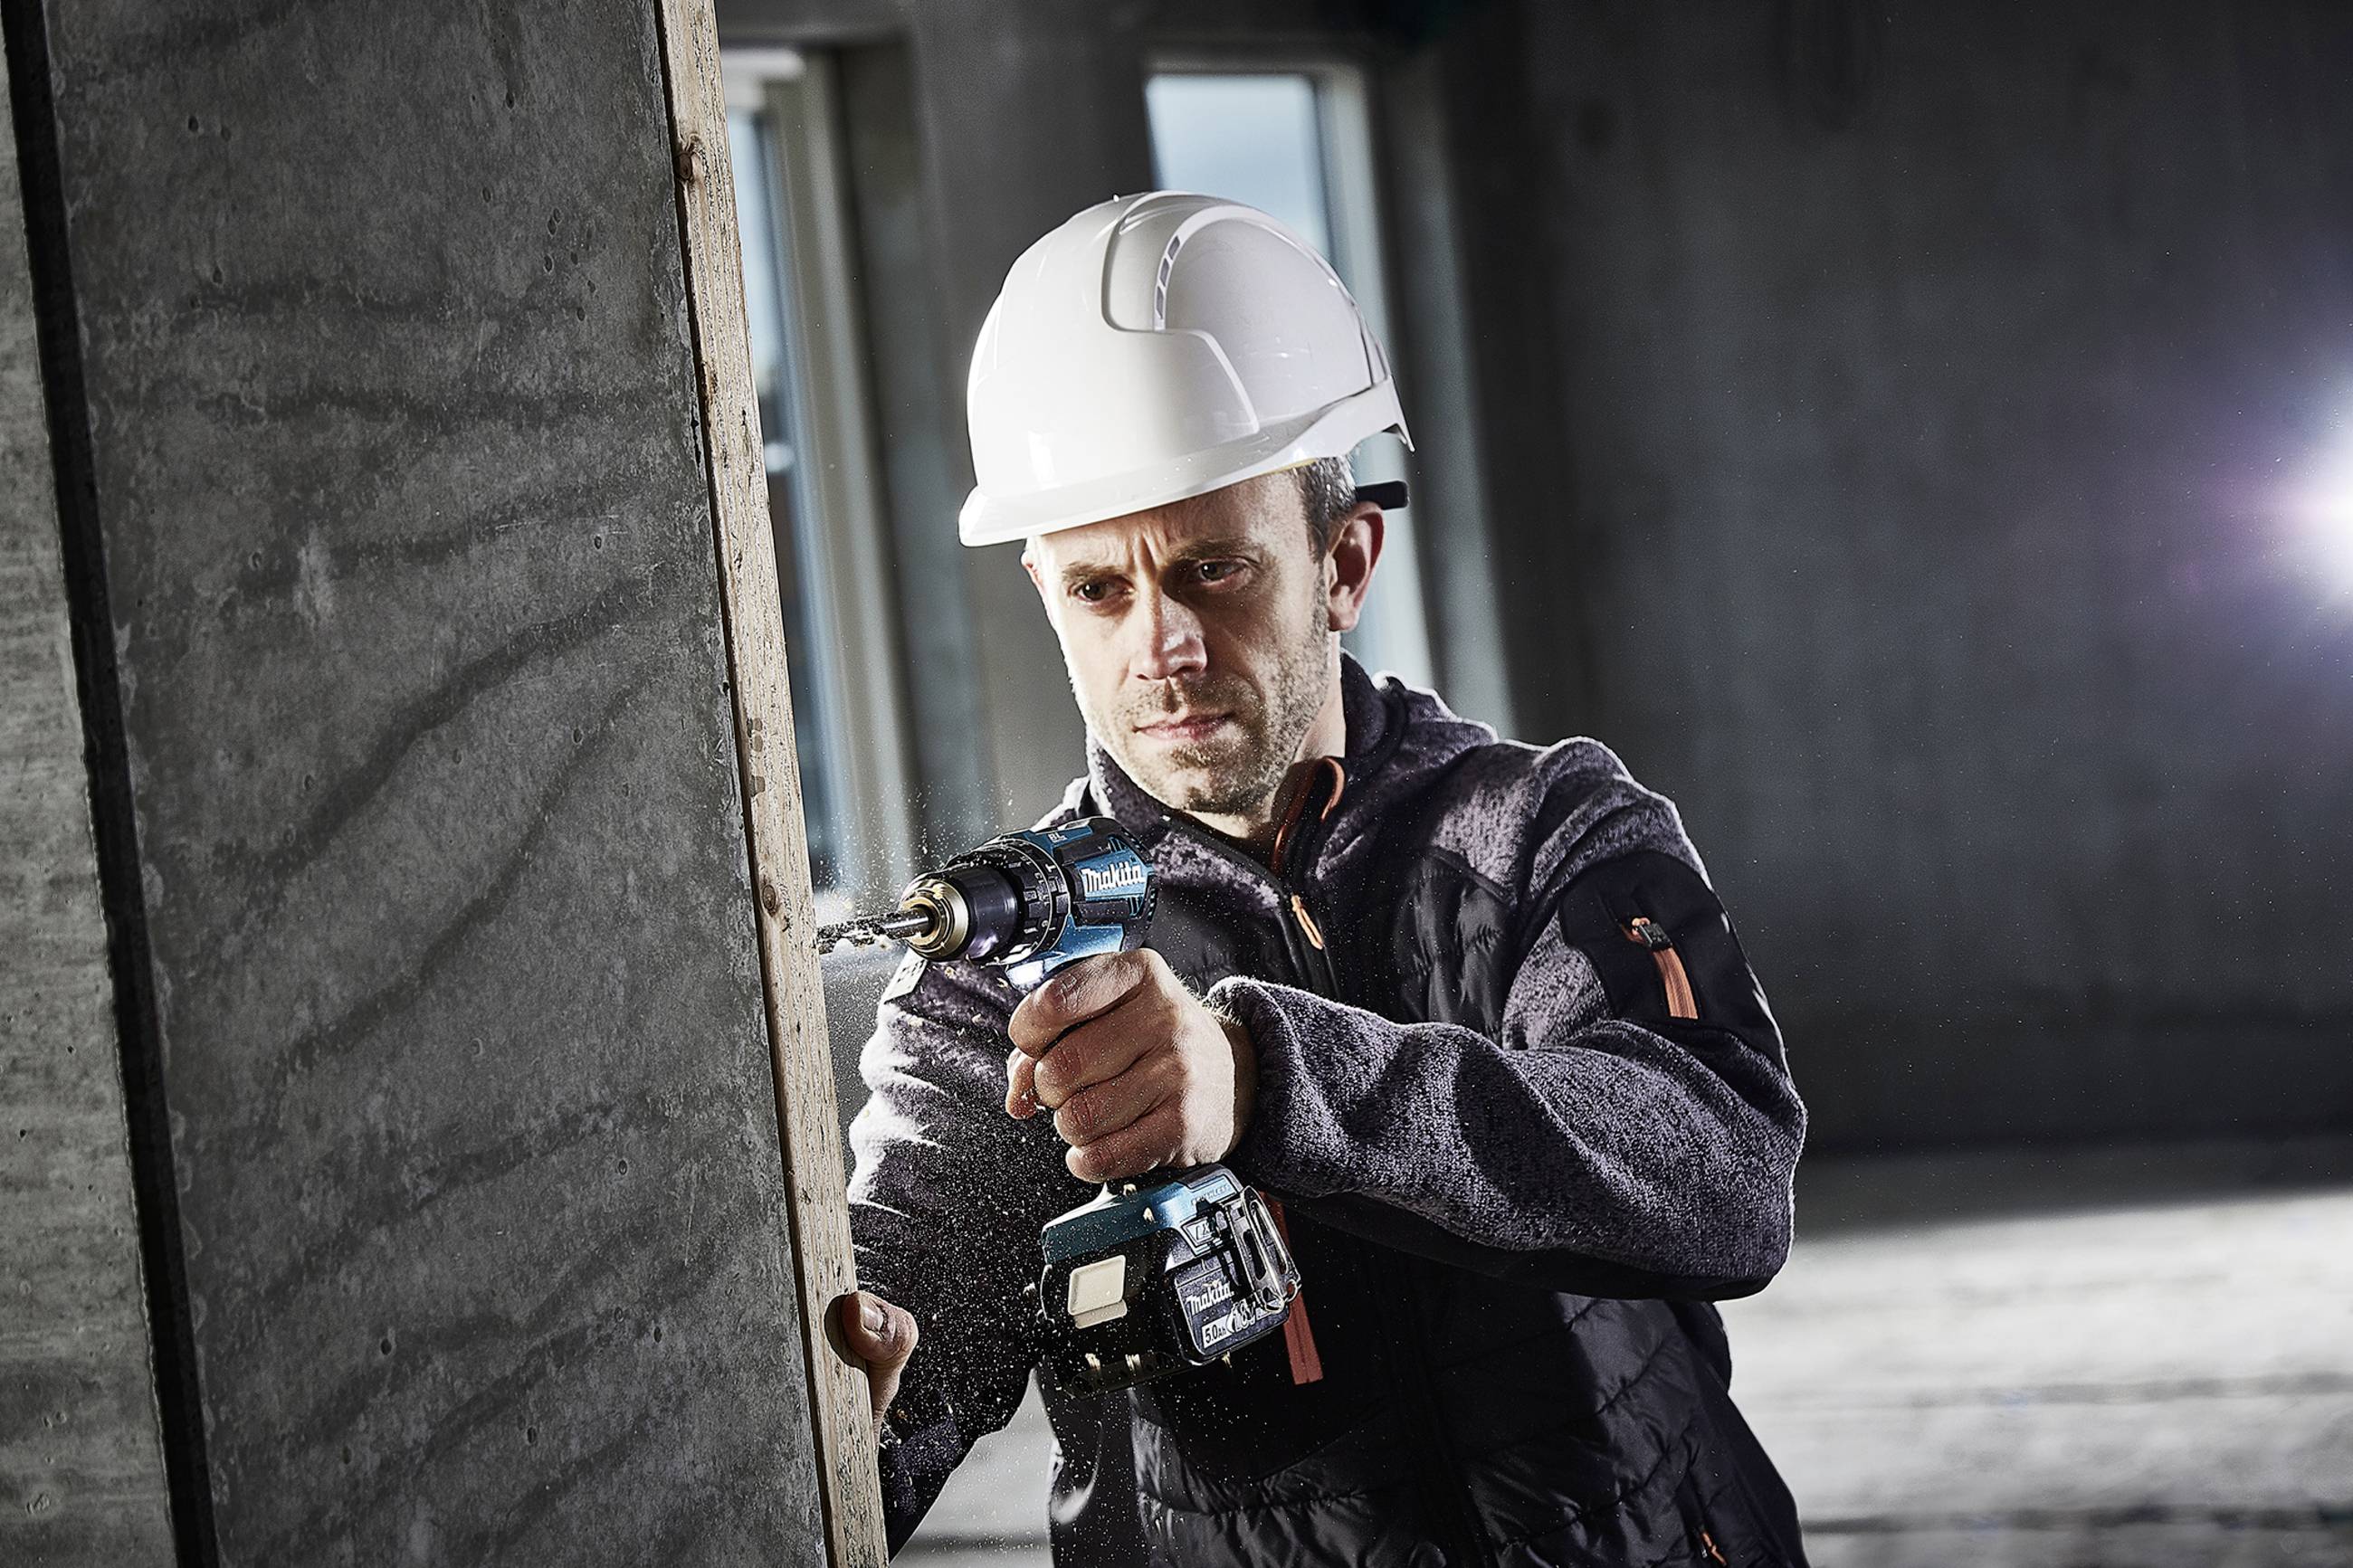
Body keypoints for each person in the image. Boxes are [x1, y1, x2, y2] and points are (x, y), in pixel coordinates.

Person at [832, 192, 1809, 1566]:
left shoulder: (1543, 829)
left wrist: (1263, 1078)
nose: (1159, 645)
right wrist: (855, 1394)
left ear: (1343, 562)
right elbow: (914, 1294)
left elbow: (1723, 1175)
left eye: (1211, 567)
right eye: (1097, 590)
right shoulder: (1005, 966)